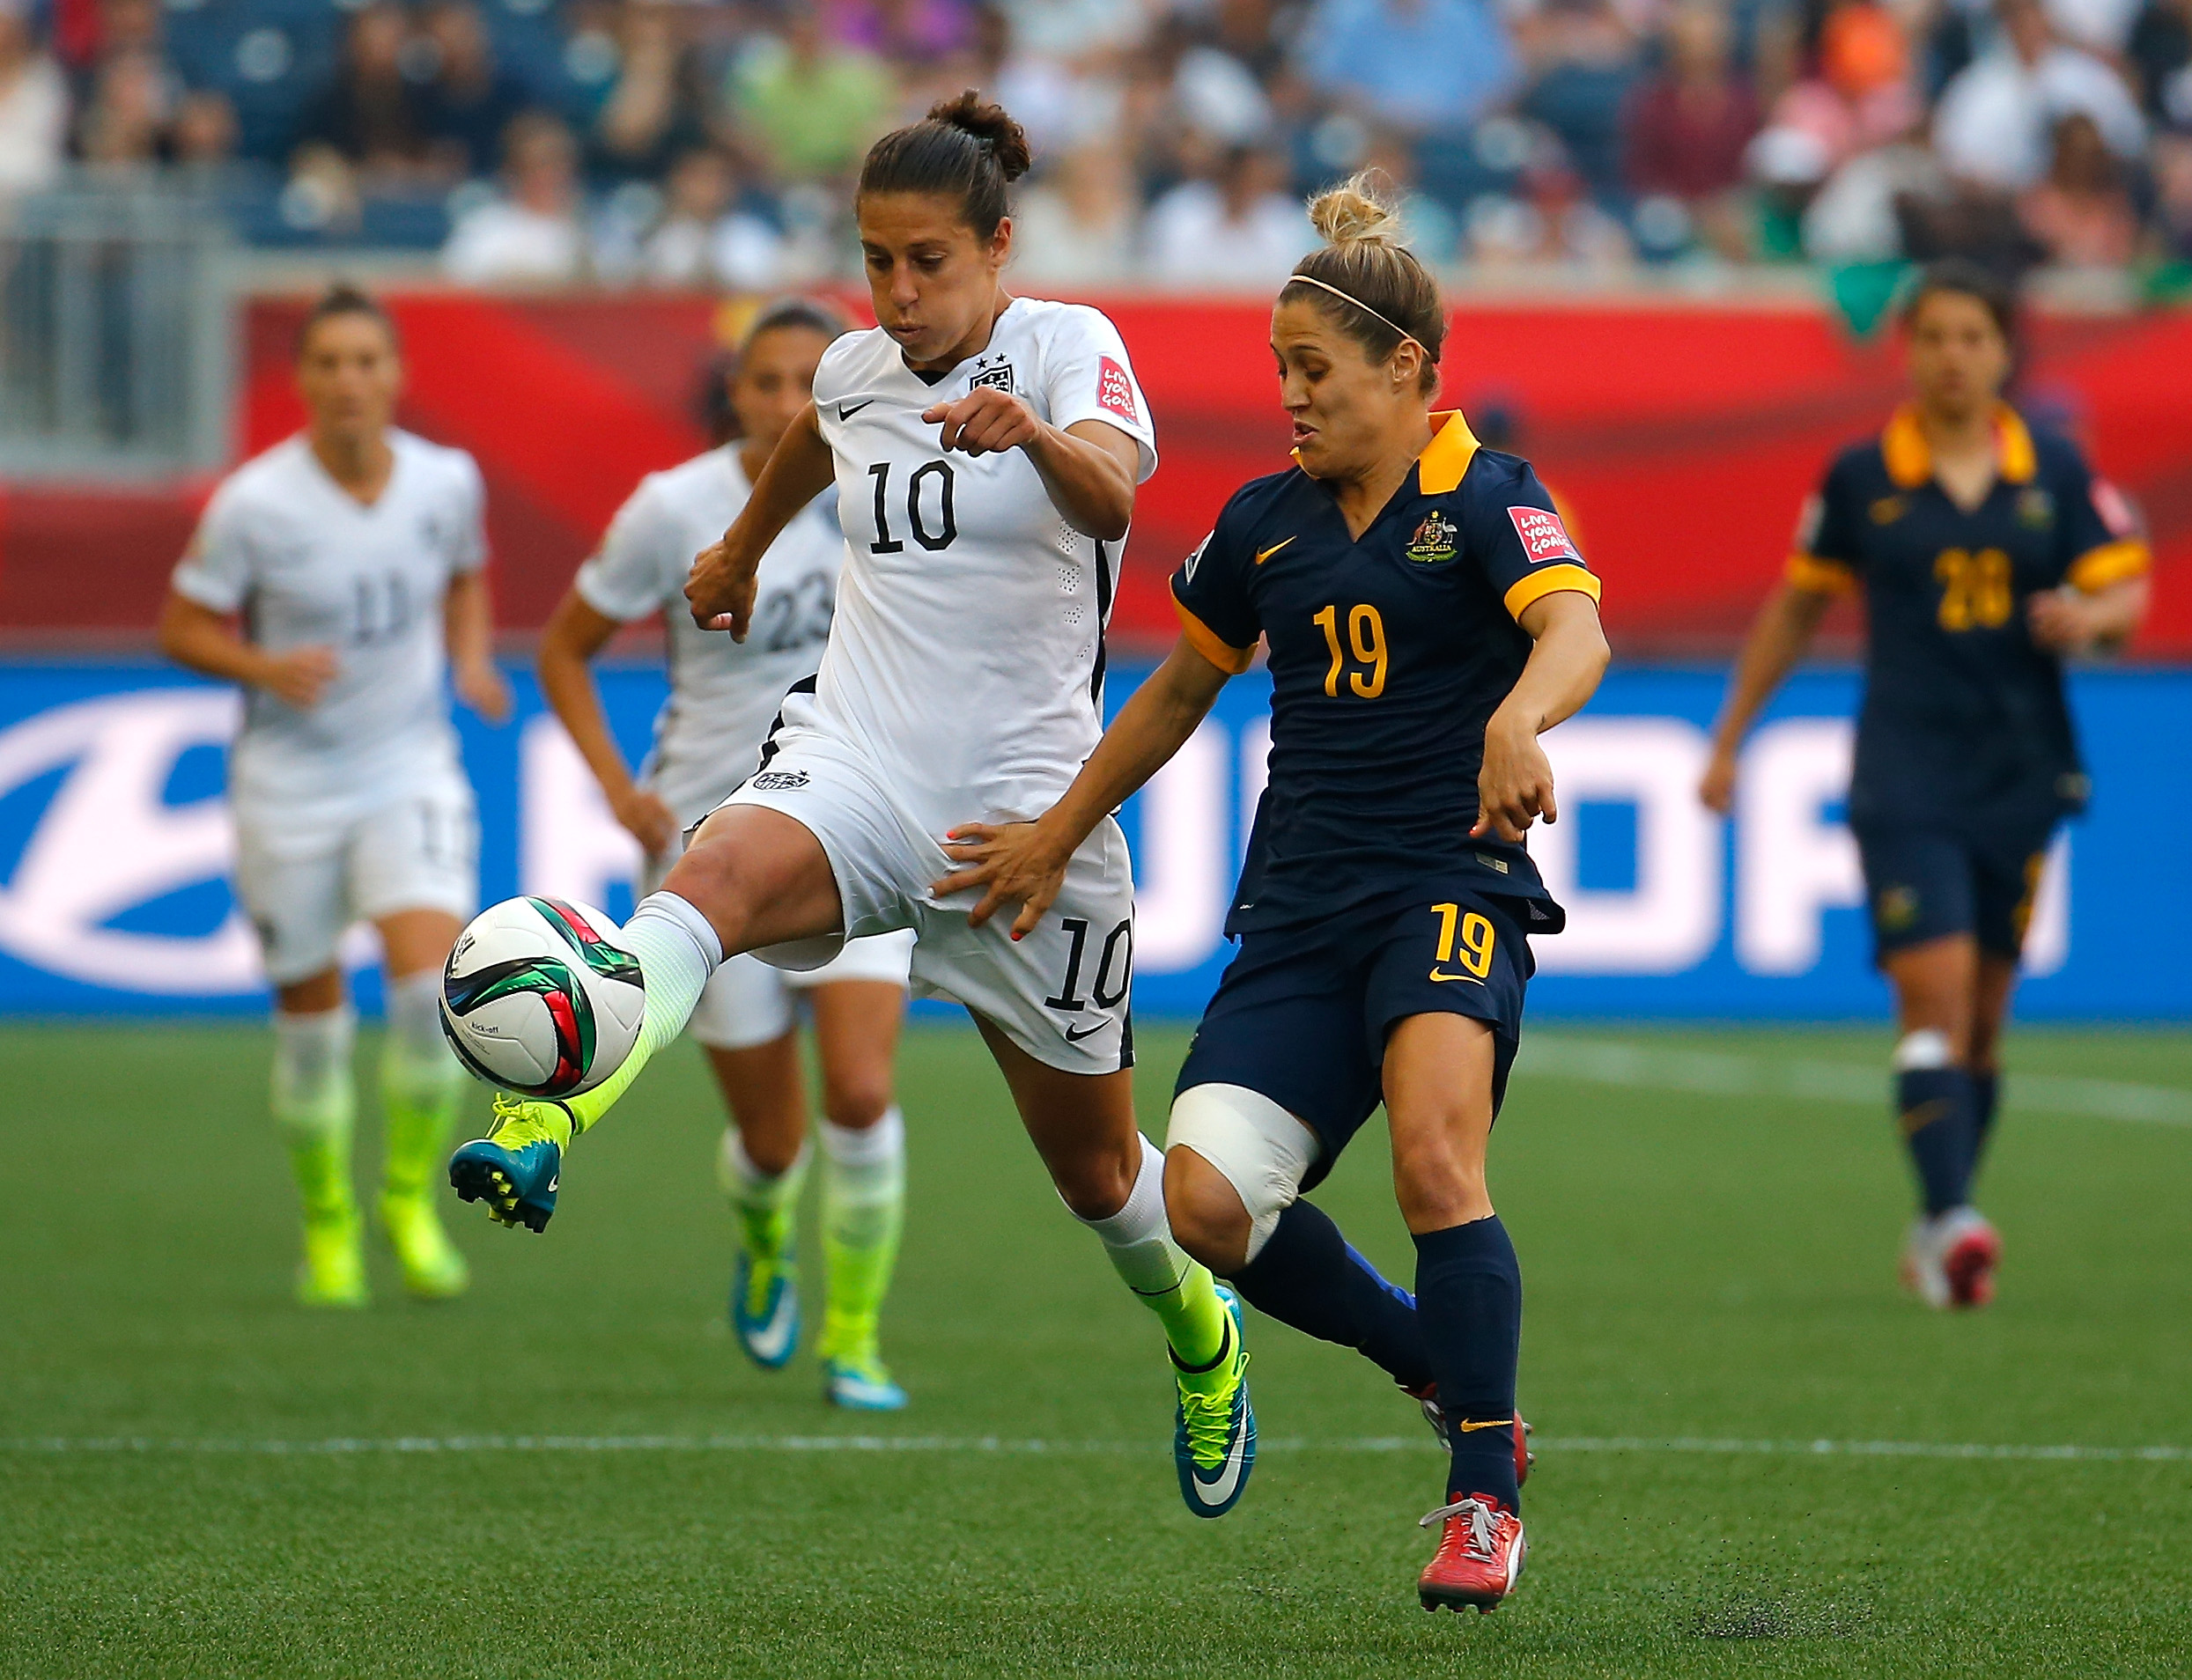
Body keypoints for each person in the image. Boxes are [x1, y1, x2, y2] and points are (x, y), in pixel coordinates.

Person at [450, 94, 1254, 1515]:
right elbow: (815, 442)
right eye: (877, 260)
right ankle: (548, 1124)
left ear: (998, 246)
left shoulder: (1070, 347)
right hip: (859, 763)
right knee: (705, 886)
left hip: (1024, 822)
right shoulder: (849, 370)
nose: (898, 292)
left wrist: (1034, 439)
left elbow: (1117, 502)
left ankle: (1198, 1333)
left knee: (1096, 1177)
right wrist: (737, 548)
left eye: (927, 261)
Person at [939, 177, 1608, 1611]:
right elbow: (1177, 688)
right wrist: (1054, 829)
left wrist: (1518, 721)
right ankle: (1424, 1359)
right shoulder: (1263, 523)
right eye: (1277, 373)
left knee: (1436, 1159)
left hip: (1446, 881)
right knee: (1201, 1204)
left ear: (1403, 371)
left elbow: (1572, 629)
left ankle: (1481, 1493)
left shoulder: (1486, 495)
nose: (1290, 398)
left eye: (1313, 371)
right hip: (1298, 913)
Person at [1699, 260, 2151, 1310]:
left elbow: (2126, 586)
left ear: (2001, 353)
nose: (1951, 356)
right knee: (1933, 997)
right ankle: (1951, 1219)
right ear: (1906, 350)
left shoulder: (2053, 468)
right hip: (1903, 772)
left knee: (1986, 1024)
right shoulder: (1861, 476)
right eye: (1934, 336)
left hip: (2021, 771)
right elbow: (1795, 607)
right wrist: (1728, 739)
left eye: (1971, 337)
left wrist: (2092, 620)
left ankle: (1938, 1209)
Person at [534, 298, 917, 1411]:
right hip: (715, 843)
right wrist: (618, 789)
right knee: (771, 1133)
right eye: (765, 380)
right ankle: (763, 1243)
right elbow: (565, 649)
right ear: (734, 392)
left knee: (857, 1091)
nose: (790, 399)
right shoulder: (674, 506)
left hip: (858, 824)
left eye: (811, 378)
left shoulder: (884, 494)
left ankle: (853, 1341)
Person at [157, 285, 512, 1308]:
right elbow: (181, 627)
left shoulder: (447, 481)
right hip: (288, 786)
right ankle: (328, 1224)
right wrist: (263, 668)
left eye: (367, 360)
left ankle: (405, 1199)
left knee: (426, 991)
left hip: (408, 768)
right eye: (329, 363)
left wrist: (474, 661)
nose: (349, 380)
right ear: (304, 379)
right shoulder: (255, 504)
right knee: (311, 1020)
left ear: (395, 374)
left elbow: (464, 576)